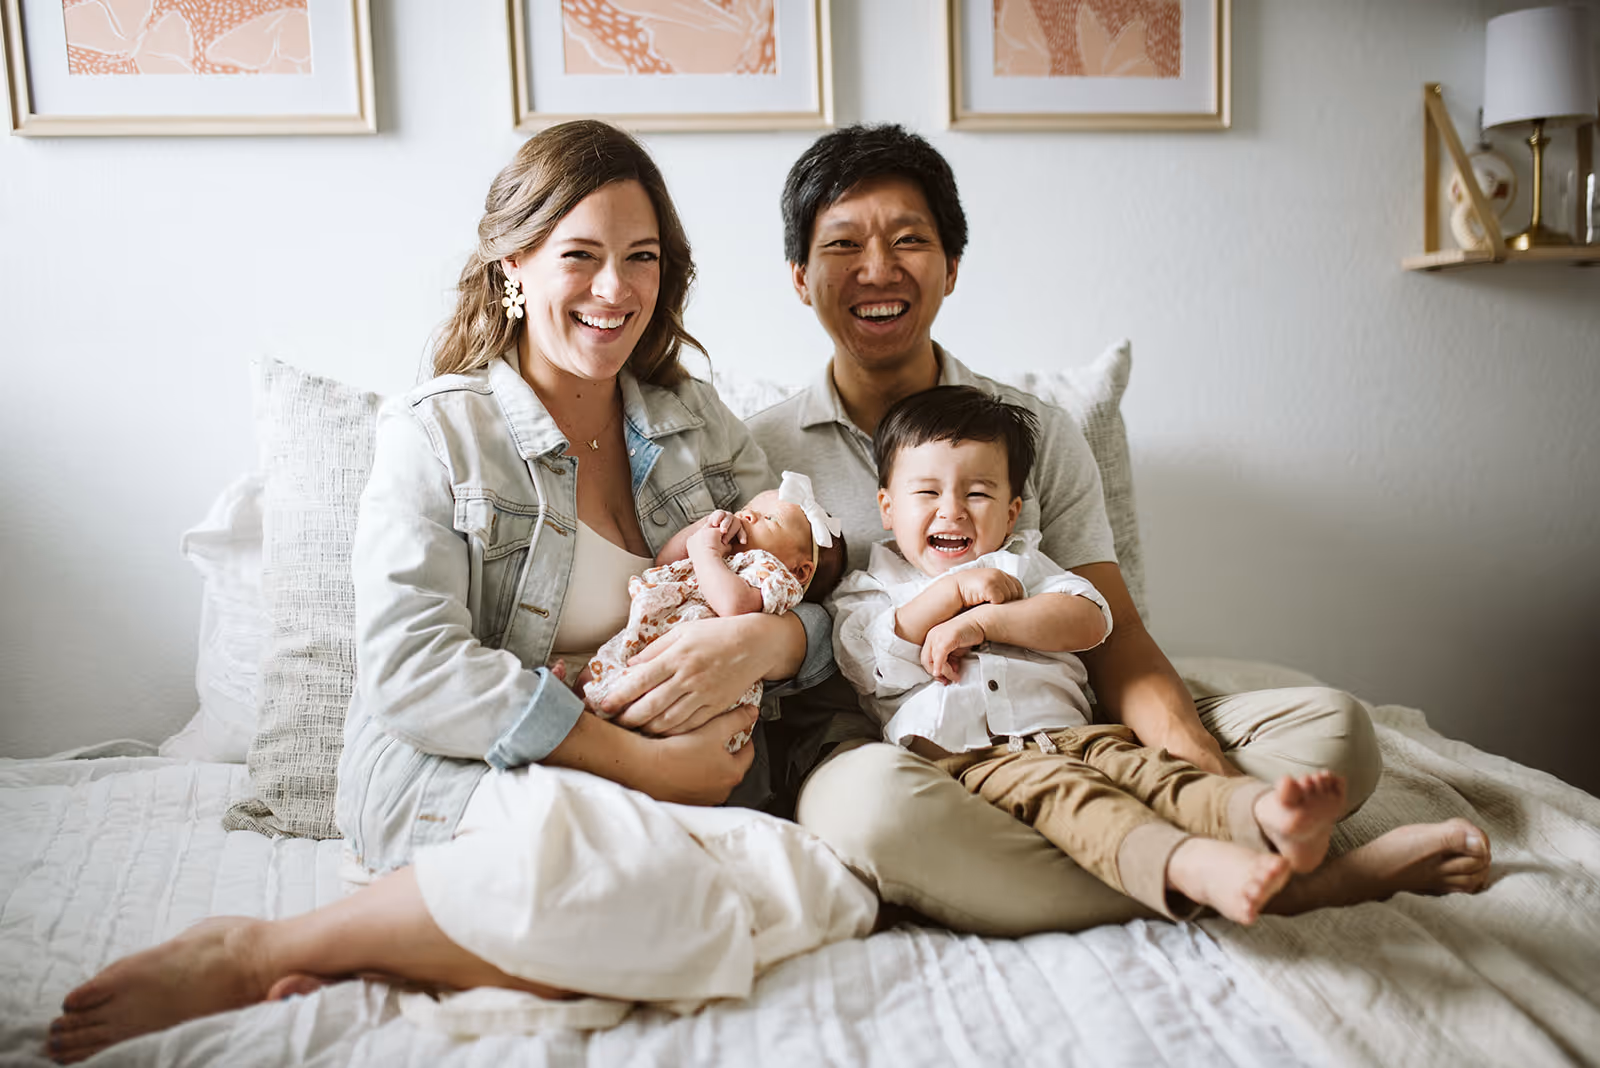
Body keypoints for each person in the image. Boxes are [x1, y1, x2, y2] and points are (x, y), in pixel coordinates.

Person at [44, 120, 875, 1065]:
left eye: (641, 258)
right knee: (650, 897)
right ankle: (258, 949)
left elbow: (809, 596)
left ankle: (434, 939)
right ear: (513, 266)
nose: (617, 290)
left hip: (671, 788)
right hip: (464, 767)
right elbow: (412, 666)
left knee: (816, 892)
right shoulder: (438, 435)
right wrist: (636, 764)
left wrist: (767, 645)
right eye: (582, 256)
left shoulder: (696, 423)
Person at [747, 122, 1492, 935]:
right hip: (896, 749)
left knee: (1338, 733)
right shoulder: (759, 451)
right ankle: (1286, 884)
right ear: (798, 275)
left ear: (952, 266)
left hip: (1069, 722)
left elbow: (1113, 632)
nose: (878, 269)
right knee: (878, 819)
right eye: (844, 243)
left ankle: (1198, 838)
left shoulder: (1033, 430)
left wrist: (1203, 778)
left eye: (909, 240)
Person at [832, 385, 1357, 925]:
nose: (953, 511)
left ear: (1013, 514)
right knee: (1074, 798)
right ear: (887, 508)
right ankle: (1189, 864)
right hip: (974, 757)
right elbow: (867, 660)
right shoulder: (871, 589)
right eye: (928, 493)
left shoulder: (1024, 565)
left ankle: (1264, 815)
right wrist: (954, 595)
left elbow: (1090, 619)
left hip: (1078, 735)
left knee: (1154, 773)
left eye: (978, 494)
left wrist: (989, 619)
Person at [580, 472, 848, 738]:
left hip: (693, 678)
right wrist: (701, 531)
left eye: (770, 519)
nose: (748, 516)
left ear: (800, 571)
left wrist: (705, 554)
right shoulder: (720, 559)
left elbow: (733, 606)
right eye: (747, 509)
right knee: (591, 678)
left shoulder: (771, 575)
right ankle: (561, 703)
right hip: (644, 640)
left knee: (634, 705)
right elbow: (664, 561)